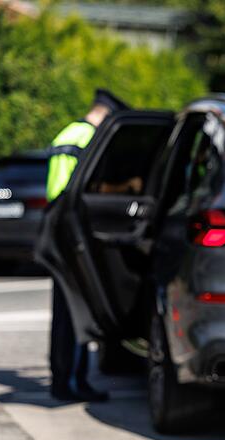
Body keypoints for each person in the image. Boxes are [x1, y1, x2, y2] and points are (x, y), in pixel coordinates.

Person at [46, 88, 129, 401]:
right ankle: (69, 383)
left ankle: (67, 380)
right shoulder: (86, 137)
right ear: (106, 115)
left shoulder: (69, 131)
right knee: (73, 313)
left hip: (59, 228)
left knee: (68, 313)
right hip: (70, 230)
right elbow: (84, 189)